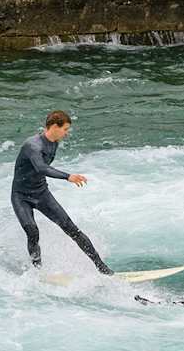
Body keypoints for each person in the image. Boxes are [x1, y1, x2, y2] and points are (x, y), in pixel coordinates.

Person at [11, 110, 113, 274]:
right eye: (65, 129)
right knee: (32, 231)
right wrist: (68, 177)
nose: (66, 133)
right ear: (53, 126)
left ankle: (103, 268)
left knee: (72, 230)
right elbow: (41, 167)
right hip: (21, 196)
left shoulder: (54, 142)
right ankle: (37, 271)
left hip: (41, 193)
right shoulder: (33, 145)